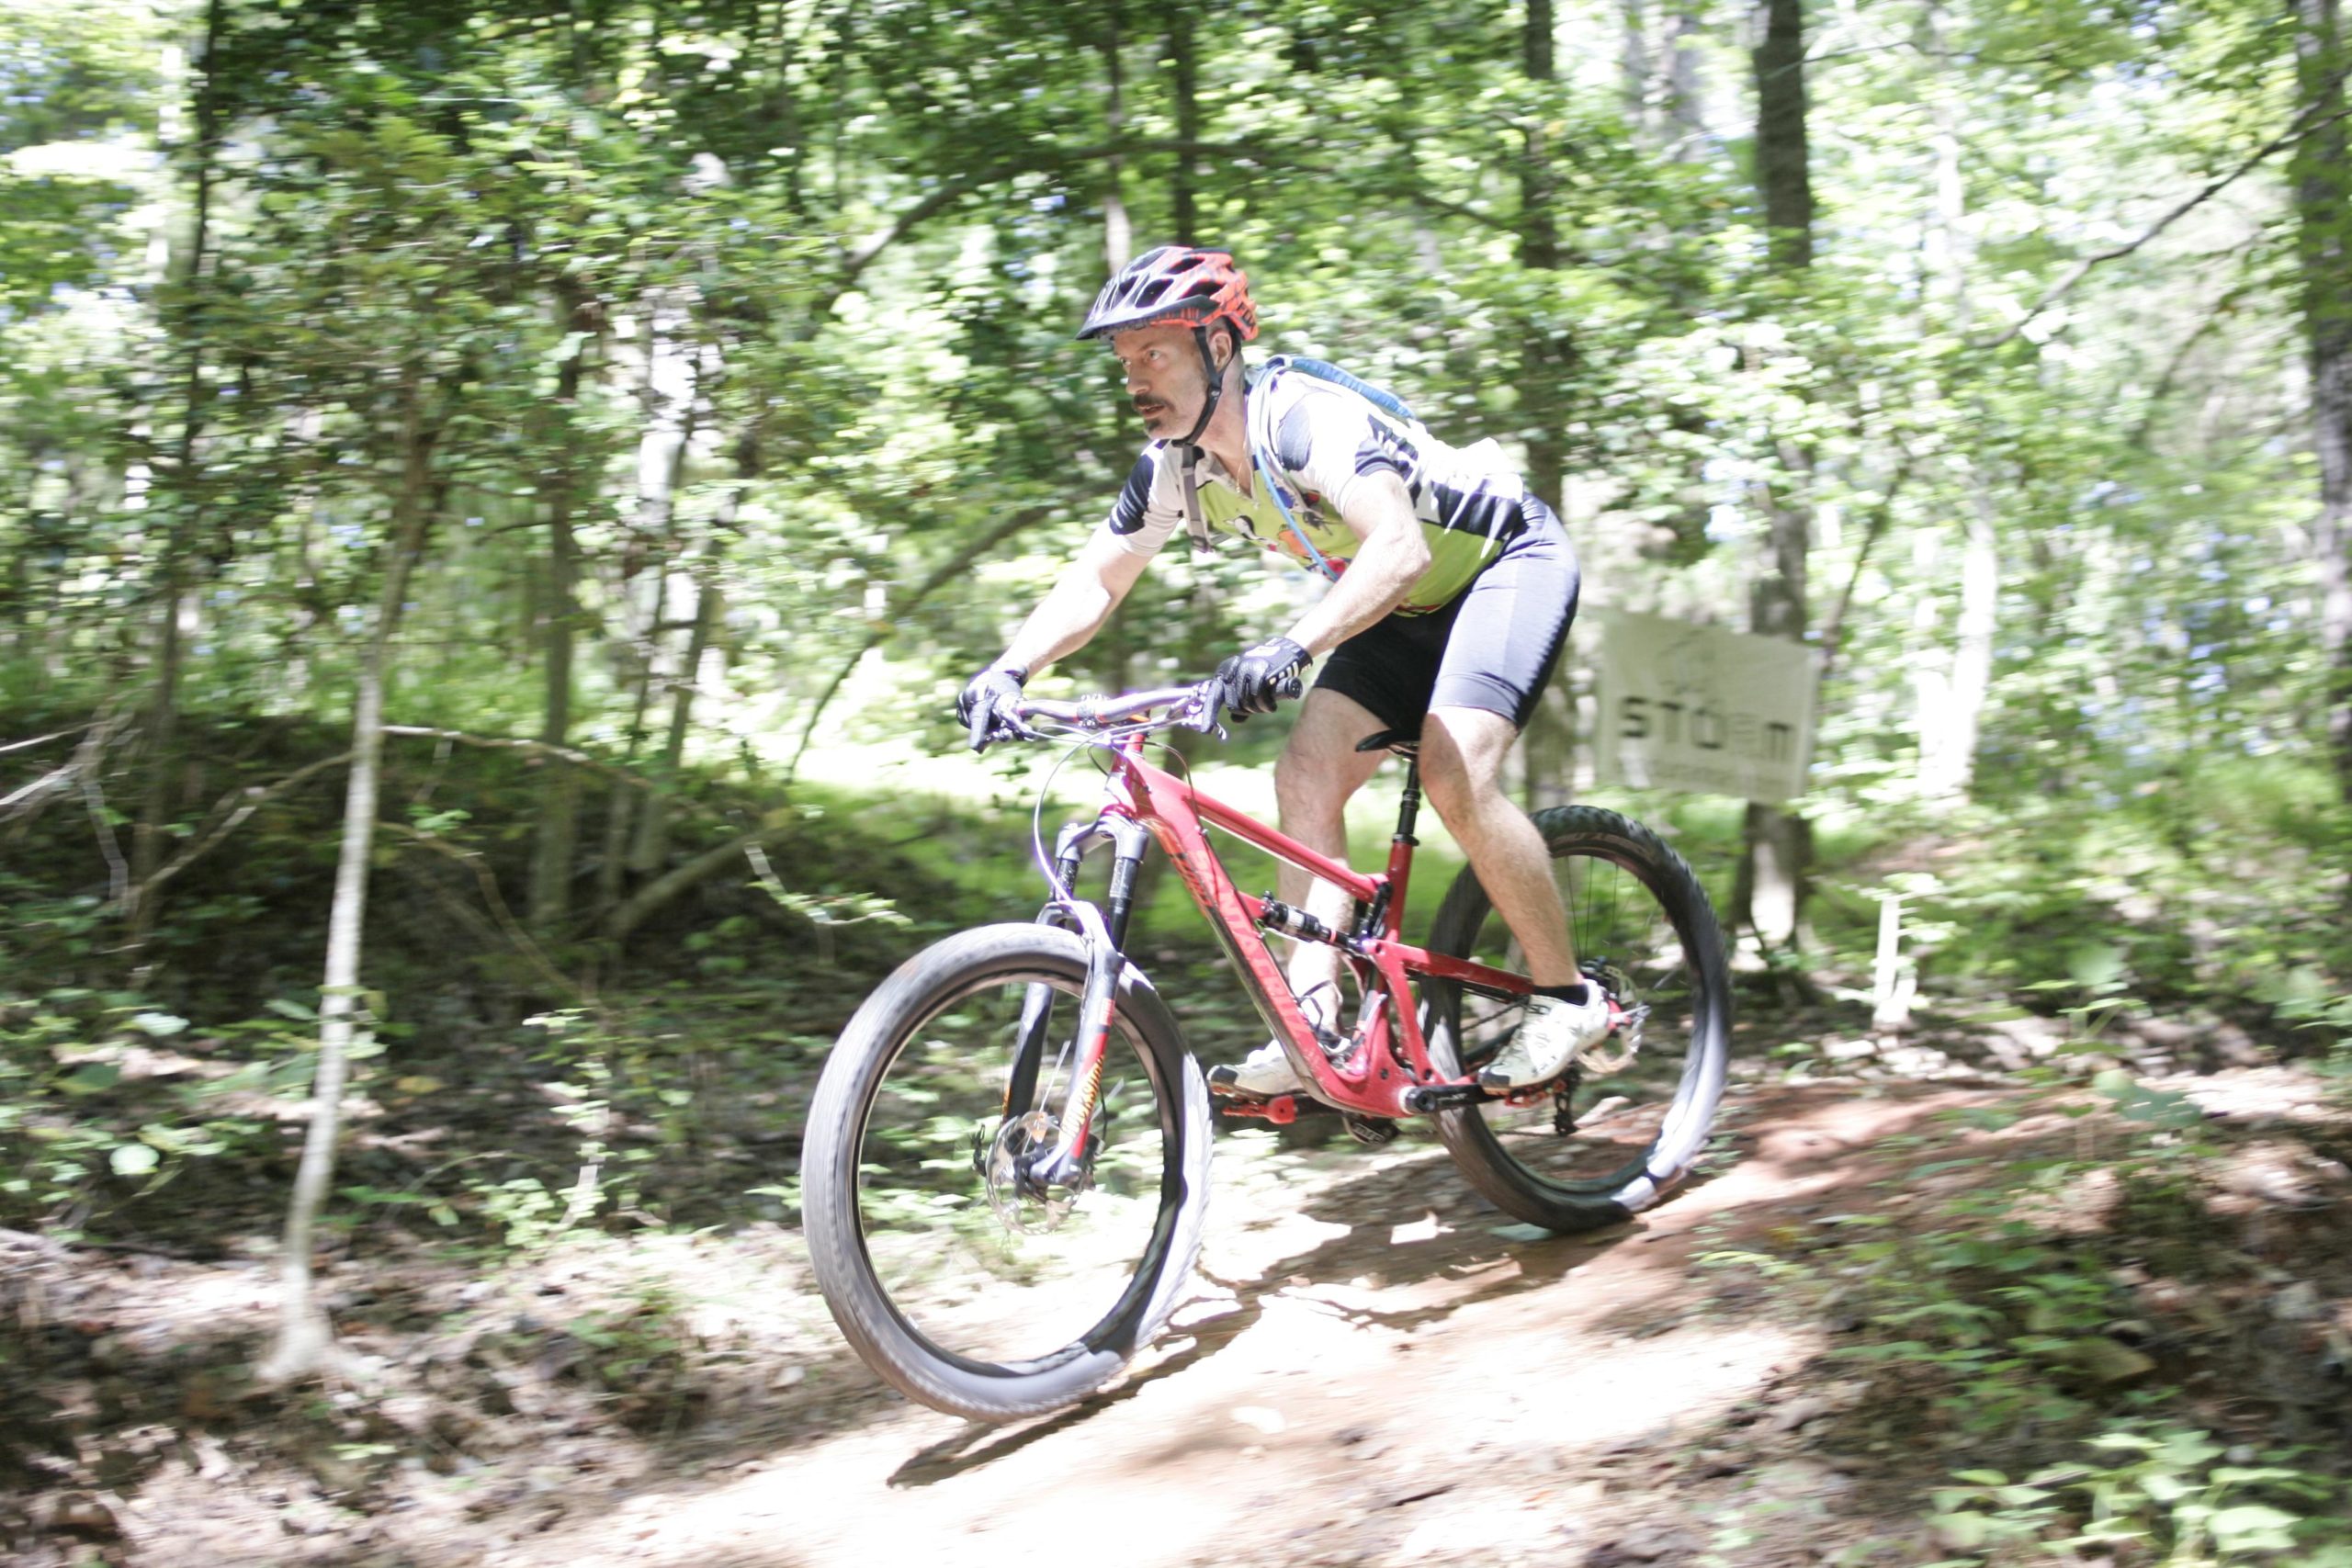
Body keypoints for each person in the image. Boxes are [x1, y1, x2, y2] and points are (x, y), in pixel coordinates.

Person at [958, 244, 1611, 1098]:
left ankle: (1568, 997)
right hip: (1404, 606)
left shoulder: (1303, 420)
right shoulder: (1175, 470)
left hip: (1500, 562)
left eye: (1154, 353)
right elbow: (1098, 578)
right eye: (1126, 363)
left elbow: (1400, 546)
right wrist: (1011, 667)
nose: (1135, 380)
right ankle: (1318, 1025)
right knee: (1303, 771)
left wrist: (1293, 648)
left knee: (1457, 773)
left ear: (1219, 346)